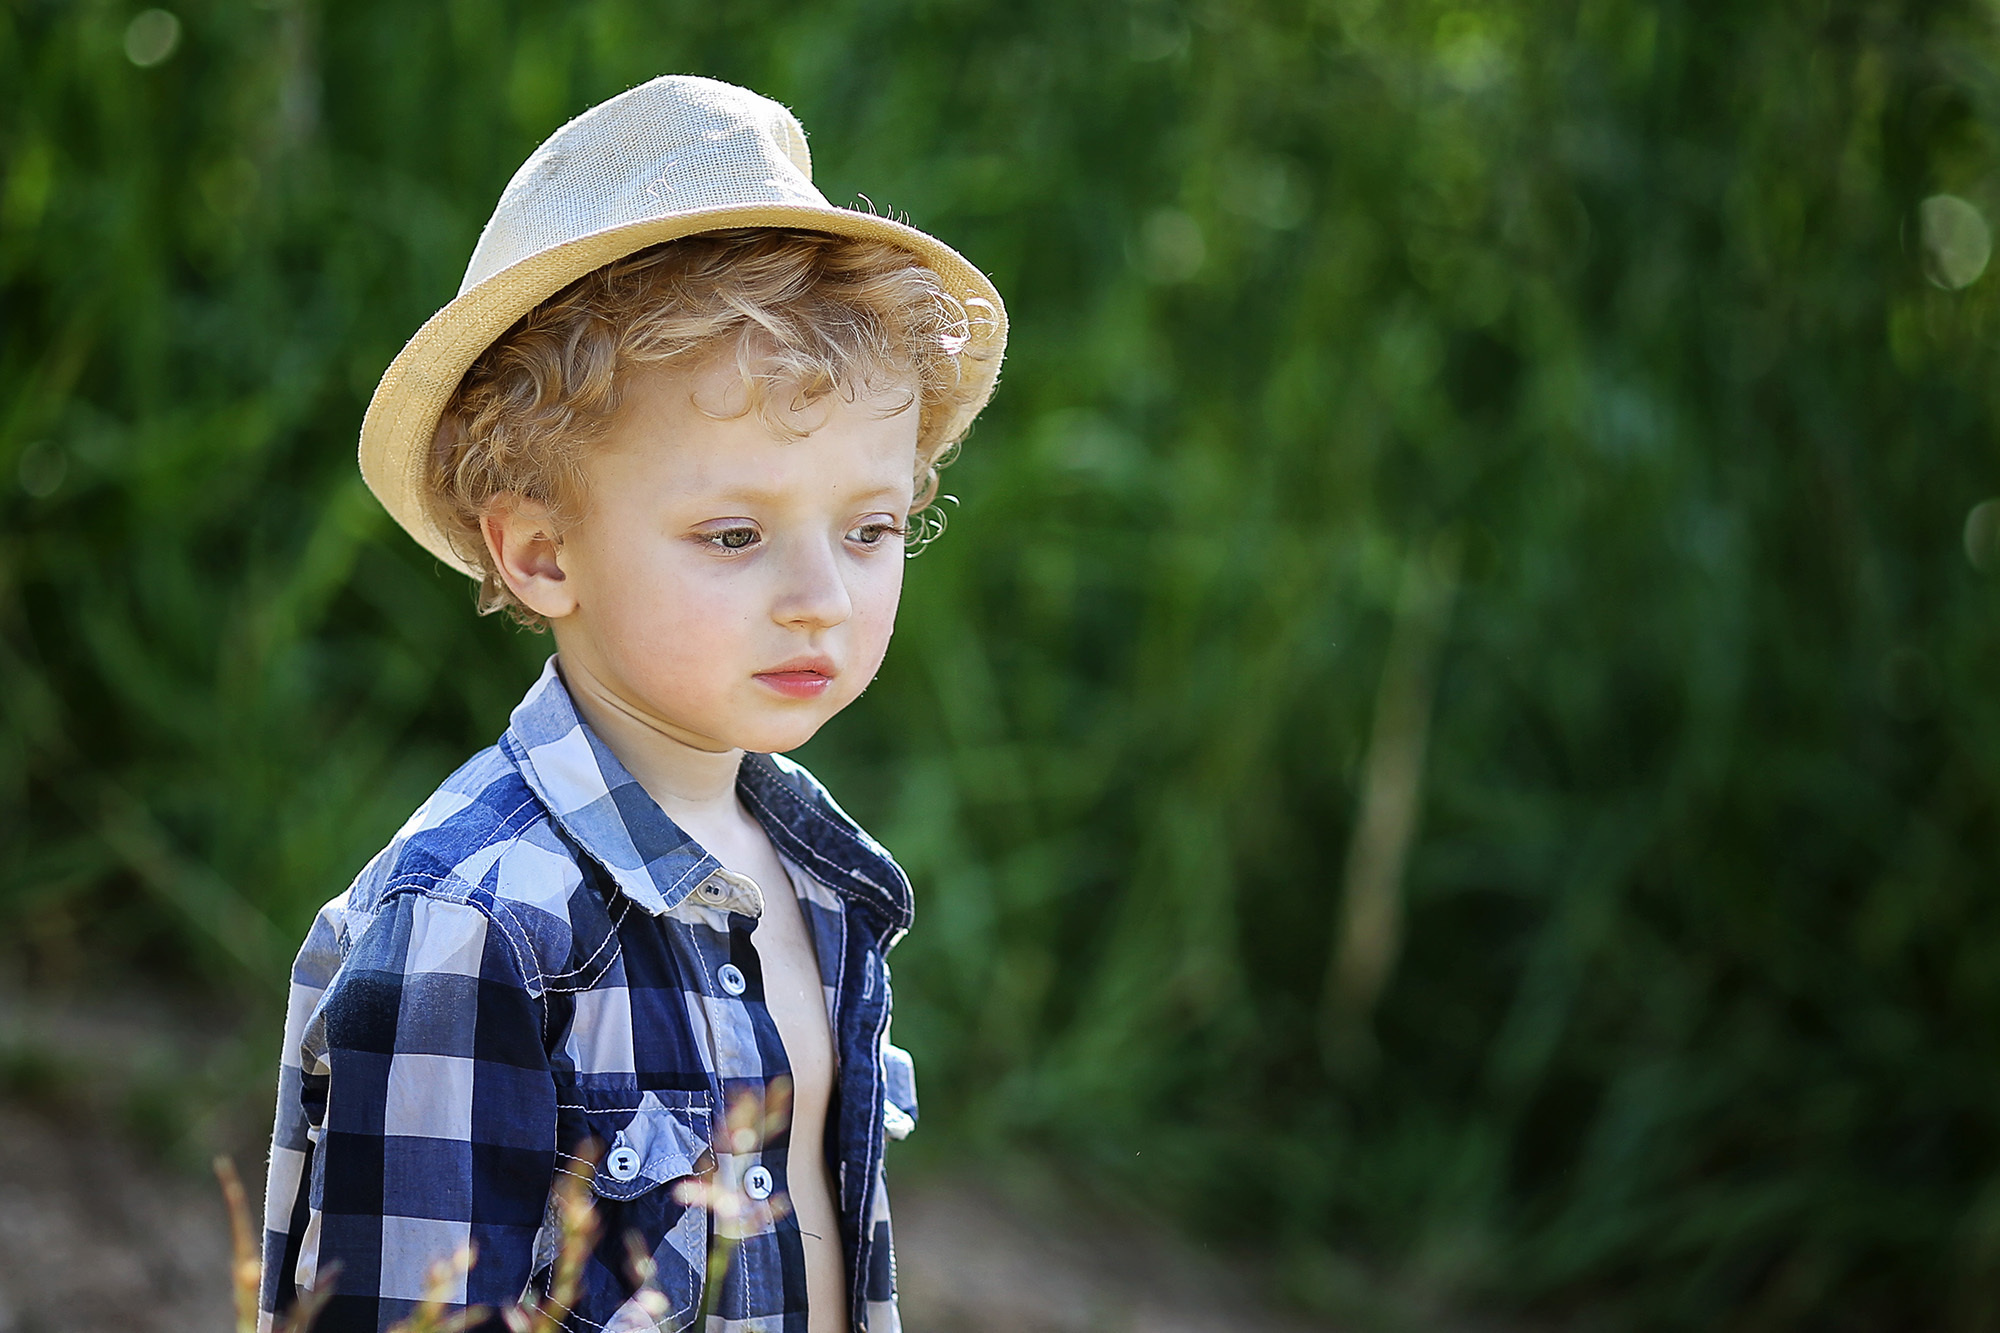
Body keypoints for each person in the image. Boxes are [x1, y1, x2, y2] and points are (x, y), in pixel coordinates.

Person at [258, 74, 1006, 1333]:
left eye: (871, 527)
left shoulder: (816, 877)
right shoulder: (477, 923)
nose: (820, 597)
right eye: (732, 533)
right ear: (542, 553)